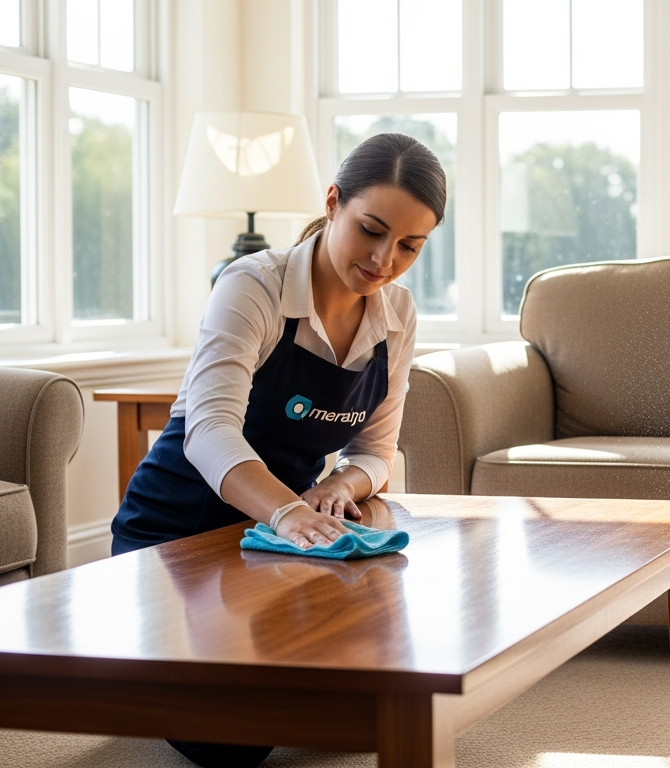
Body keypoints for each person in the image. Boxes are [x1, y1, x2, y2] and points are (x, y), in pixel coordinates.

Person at [109, 133, 445, 767]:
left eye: (409, 246)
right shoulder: (254, 285)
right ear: (333, 201)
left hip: (275, 546)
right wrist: (288, 512)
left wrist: (337, 488)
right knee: (231, 744)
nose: (383, 259)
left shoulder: (396, 315)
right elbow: (209, 430)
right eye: (371, 230)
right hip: (176, 537)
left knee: (366, 704)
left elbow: (376, 452)